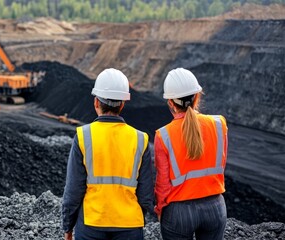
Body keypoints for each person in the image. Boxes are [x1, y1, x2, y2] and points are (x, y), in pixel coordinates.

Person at [62, 68, 154, 240]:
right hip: (129, 225)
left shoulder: (83, 136)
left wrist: (68, 227)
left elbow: (73, 190)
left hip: (92, 224)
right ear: (123, 104)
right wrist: (136, 219)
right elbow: (146, 194)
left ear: (96, 102)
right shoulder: (141, 139)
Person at [154, 68, 228, 240]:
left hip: (179, 211)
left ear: (171, 102)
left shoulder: (163, 135)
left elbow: (163, 184)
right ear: (197, 96)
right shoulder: (219, 124)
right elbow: (221, 164)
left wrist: (159, 209)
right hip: (215, 206)